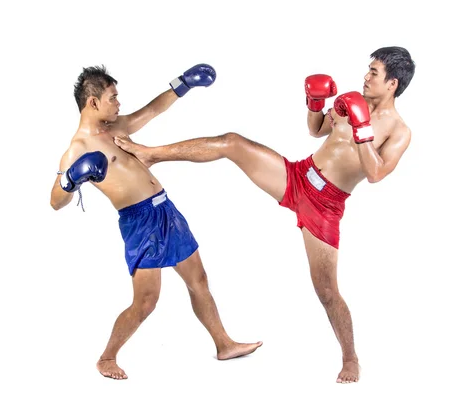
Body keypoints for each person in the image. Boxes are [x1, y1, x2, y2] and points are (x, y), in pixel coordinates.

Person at [113, 46, 416, 384]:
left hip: (325, 205)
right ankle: (153, 155)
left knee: (327, 292)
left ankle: (351, 359)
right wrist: (314, 103)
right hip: (299, 176)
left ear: (392, 83)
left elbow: (375, 173)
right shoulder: (348, 100)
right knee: (232, 142)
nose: (365, 77)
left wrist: (363, 129)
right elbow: (316, 130)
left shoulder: (399, 131)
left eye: (373, 73)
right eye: (368, 70)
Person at [49, 64, 262, 380]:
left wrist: (183, 84)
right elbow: (55, 202)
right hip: (141, 223)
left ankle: (224, 344)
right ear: (92, 102)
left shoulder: (115, 127)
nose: (119, 103)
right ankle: (107, 358)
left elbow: (151, 111)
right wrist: (70, 180)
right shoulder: (76, 150)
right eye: (113, 97)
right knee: (146, 302)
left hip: (167, 212)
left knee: (199, 280)